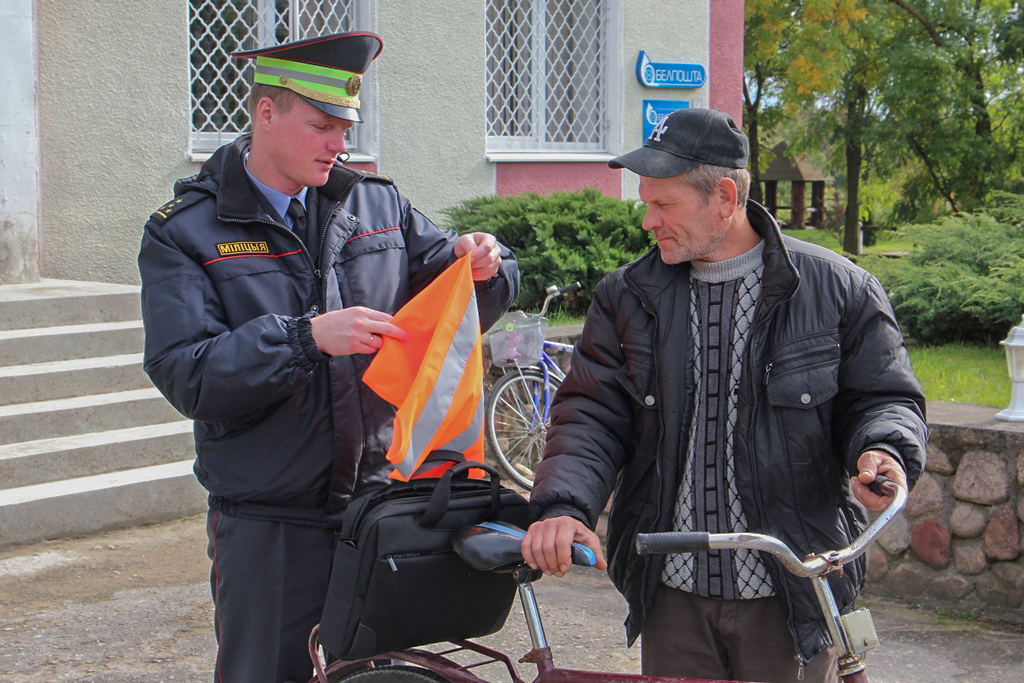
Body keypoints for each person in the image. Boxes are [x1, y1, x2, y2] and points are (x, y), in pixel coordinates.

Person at [138, 32, 519, 683]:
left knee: (377, 675)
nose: (339, 142)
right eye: (321, 125)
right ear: (266, 113)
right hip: (269, 530)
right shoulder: (185, 232)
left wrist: (484, 263)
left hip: (378, 513)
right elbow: (187, 372)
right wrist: (305, 337)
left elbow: (458, 299)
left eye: (346, 125)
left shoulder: (377, 205)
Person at [520, 108, 926, 683]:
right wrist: (562, 507)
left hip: (793, 590)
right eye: (646, 202)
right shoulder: (626, 296)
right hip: (672, 593)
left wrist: (883, 449)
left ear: (725, 197)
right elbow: (590, 416)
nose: (647, 220)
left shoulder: (838, 289)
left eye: (664, 205)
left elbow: (884, 398)